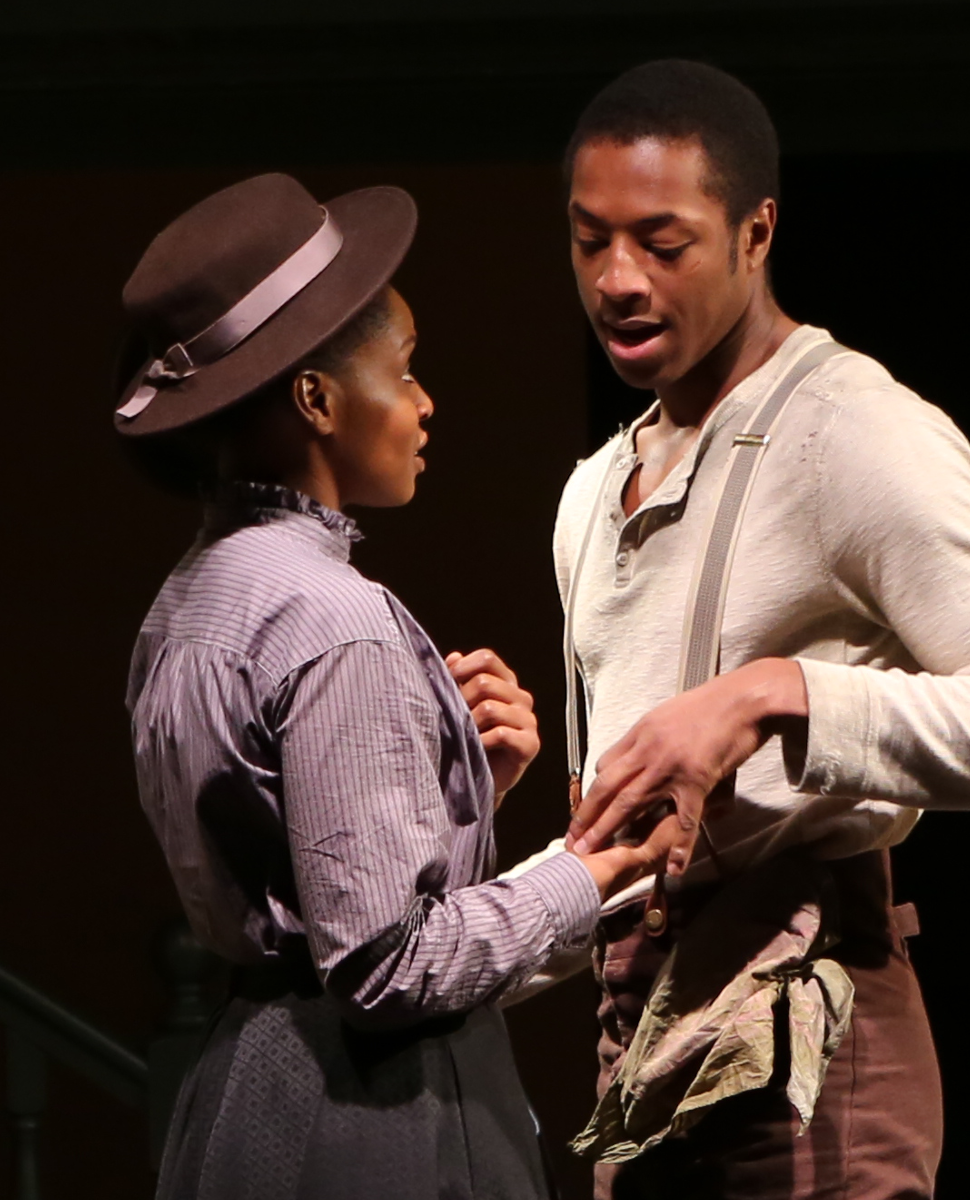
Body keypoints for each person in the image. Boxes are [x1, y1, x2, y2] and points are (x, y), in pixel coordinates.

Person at [547, 61, 970, 1199]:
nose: (618, 280)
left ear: (756, 233)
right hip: (641, 1038)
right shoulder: (595, 487)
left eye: (663, 243)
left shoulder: (851, 434)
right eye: (589, 239)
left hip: (809, 1035)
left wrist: (778, 693)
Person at [115, 173, 675, 1200]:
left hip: (247, 1098)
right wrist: (585, 875)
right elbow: (384, 967)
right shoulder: (335, 619)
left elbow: (293, 864)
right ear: (318, 400)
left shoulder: (187, 600)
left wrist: (452, 787)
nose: (424, 402)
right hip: (369, 1122)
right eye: (404, 369)